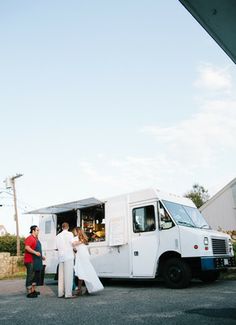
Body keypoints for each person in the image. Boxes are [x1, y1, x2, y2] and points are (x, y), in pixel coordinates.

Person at [73, 228, 104, 295]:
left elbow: (73, 244)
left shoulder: (76, 238)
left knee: (80, 272)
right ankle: (88, 288)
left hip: (81, 257)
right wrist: (80, 242)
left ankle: (80, 290)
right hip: (85, 256)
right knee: (86, 272)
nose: (74, 232)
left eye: (75, 231)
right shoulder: (84, 238)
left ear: (77, 231)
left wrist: (76, 244)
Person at [56, 222, 76, 299]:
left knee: (61, 276)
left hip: (61, 257)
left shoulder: (57, 236)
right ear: (68, 227)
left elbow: (57, 247)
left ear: (62, 227)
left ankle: (60, 293)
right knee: (68, 275)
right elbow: (73, 243)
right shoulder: (70, 234)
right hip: (68, 256)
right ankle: (68, 294)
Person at [24, 225, 41, 298]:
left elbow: (37, 249)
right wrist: (35, 253)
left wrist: (41, 256)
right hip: (29, 260)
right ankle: (29, 292)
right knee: (30, 276)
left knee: (34, 276)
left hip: (35, 260)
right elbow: (27, 247)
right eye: (37, 230)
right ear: (33, 231)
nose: (38, 231)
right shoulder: (30, 238)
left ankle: (33, 291)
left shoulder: (36, 239)